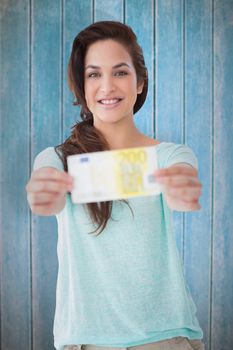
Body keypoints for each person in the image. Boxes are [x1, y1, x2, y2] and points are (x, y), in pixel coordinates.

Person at [26, 21, 205, 350]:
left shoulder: (170, 154)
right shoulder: (54, 159)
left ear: (140, 83)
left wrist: (182, 189)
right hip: (85, 342)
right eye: (94, 74)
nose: (107, 86)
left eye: (120, 72)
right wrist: (44, 192)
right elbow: (45, 199)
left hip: (162, 338)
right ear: (82, 85)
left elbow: (183, 187)